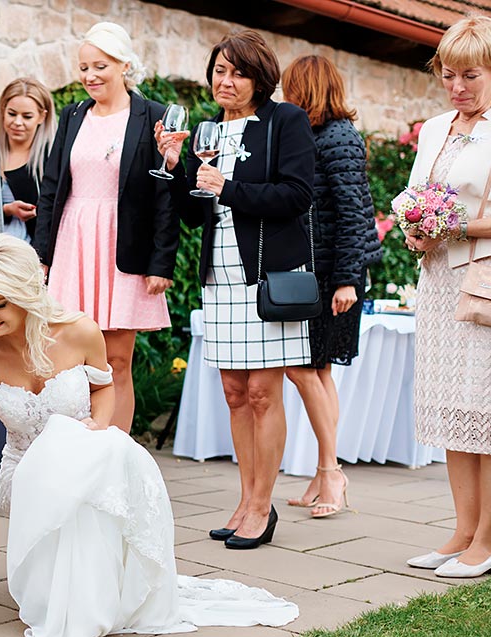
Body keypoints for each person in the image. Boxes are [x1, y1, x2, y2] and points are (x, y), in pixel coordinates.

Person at [0, 234, 297, 637]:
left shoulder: (80, 331)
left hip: (87, 462)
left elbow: (103, 389)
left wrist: (100, 425)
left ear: (27, 292)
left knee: (106, 480)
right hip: (26, 475)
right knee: (55, 602)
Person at [155, 29, 315, 549]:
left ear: (260, 78)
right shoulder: (206, 131)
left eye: (238, 72)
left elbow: (297, 195)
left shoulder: (283, 122)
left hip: (265, 279)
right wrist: (178, 168)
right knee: (234, 393)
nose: (226, 81)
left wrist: (229, 188)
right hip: (218, 278)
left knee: (265, 394)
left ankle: (263, 507)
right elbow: (195, 215)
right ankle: (245, 500)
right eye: (220, 70)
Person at [402, 16, 491, 579]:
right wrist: (415, 224)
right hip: (439, 279)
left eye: (470, 75)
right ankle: (462, 530)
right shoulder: (437, 126)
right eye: (448, 75)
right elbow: (419, 194)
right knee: (451, 407)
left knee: (488, 409)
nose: (457, 87)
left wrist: (462, 227)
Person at [34, 22, 179, 433]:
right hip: (73, 243)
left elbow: (165, 194)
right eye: (83, 67)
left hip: (123, 246)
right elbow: (52, 188)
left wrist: (161, 262)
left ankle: (113, 456)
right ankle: (71, 453)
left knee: (116, 362)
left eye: (100, 65)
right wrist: (42, 256)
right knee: (67, 362)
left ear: (123, 65)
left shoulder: (153, 115)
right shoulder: (73, 114)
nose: (89, 76)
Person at [280, 55, 381, 518]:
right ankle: (323, 477)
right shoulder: (318, 135)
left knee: (303, 369)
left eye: (290, 88)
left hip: (331, 276)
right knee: (318, 372)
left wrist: (346, 280)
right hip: (317, 272)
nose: (284, 96)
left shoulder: (337, 136)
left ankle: (331, 472)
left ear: (308, 89)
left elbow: (354, 214)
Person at [0, 78, 56, 242]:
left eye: (27, 116)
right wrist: (7, 210)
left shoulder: (52, 158)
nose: (17, 122)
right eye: (12, 114)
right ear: (3, 110)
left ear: (42, 117)